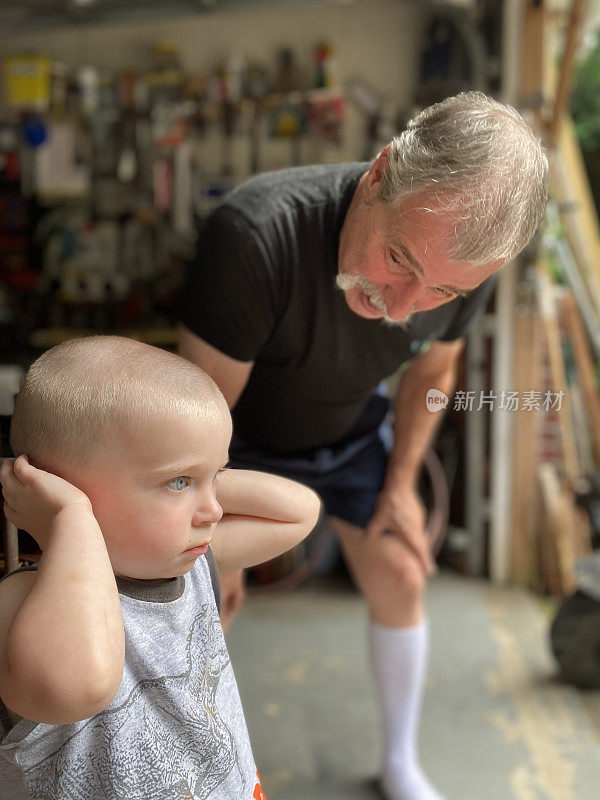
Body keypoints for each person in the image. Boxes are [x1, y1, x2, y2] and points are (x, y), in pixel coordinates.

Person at [176, 91, 548, 800]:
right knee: (194, 606)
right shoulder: (256, 236)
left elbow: (435, 370)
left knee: (402, 573)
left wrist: (403, 482)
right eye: (398, 258)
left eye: (439, 289)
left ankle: (401, 763)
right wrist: (203, 530)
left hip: (347, 434)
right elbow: (196, 418)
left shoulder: (461, 270)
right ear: (379, 174)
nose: (403, 306)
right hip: (235, 443)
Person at [0, 336, 321, 800]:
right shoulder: (23, 598)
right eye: (178, 482)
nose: (212, 509)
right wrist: (72, 520)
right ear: (57, 488)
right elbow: (79, 687)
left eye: (217, 477)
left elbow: (299, 511)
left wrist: (198, 470)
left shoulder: (183, 568)